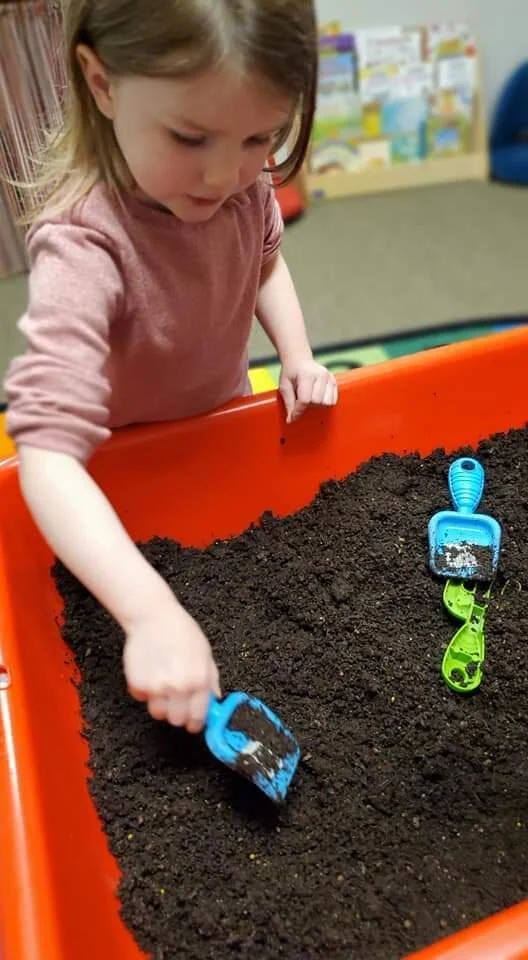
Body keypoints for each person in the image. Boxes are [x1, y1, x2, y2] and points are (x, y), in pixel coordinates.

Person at [4, 0, 338, 735]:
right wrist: (151, 614)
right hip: (118, 483)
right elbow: (46, 456)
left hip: (222, 434)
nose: (227, 173)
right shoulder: (85, 243)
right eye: (191, 137)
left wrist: (297, 356)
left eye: (262, 136)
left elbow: (264, 265)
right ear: (101, 82)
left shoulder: (244, 186)